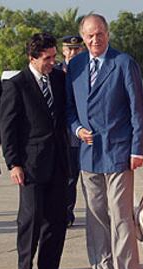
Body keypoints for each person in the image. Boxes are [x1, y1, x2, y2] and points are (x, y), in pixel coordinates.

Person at [66, 14, 143, 269]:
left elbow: (138, 110)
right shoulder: (75, 66)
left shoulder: (123, 63)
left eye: (99, 34)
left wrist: (138, 149)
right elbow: (70, 109)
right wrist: (76, 130)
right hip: (88, 154)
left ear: (107, 34)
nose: (94, 40)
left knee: (120, 214)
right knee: (95, 214)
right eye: (89, 35)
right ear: (83, 37)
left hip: (118, 151)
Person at [0, 32, 70, 269]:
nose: (53, 62)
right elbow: (7, 127)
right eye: (47, 58)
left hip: (59, 162)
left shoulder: (60, 80)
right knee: (30, 219)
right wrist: (13, 163)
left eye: (54, 56)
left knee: (56, 219)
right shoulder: (16, 85)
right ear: (32, 58)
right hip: (30, 164)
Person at [55, 35, 84, 227]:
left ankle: (67, 213)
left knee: (72, 175)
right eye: (69, 49)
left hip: (76, 132)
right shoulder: (55, 72)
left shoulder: (85, 70)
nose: (73, 53)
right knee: (57, 175)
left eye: (76, 49)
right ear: (63, 51)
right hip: (57, 132)